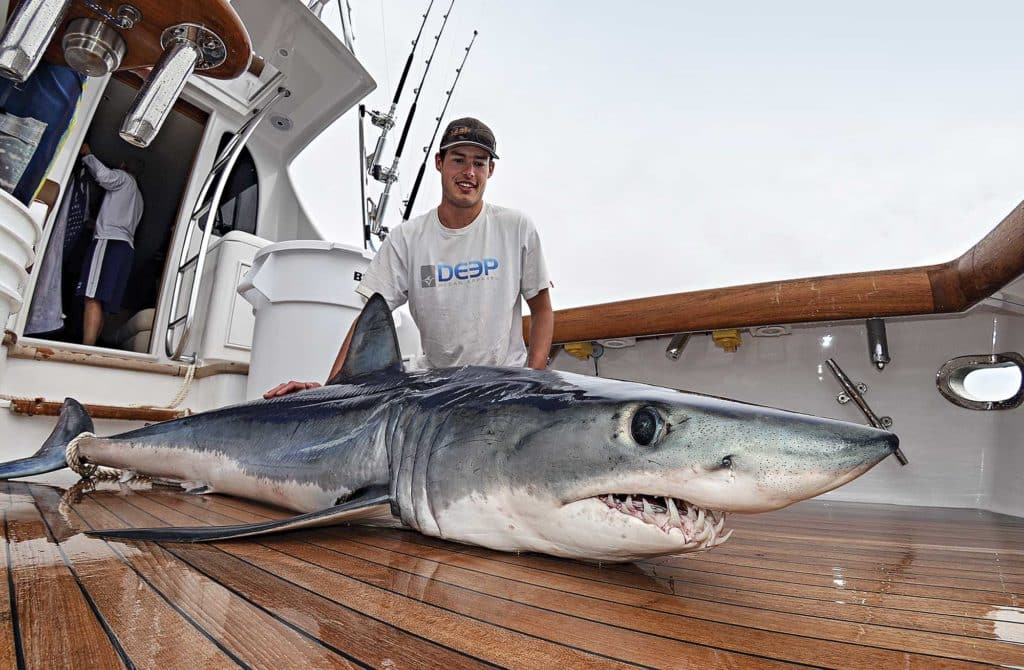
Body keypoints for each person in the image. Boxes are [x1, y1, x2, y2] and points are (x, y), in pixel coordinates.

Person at [265, 117, 554, 398]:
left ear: (490, 170)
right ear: (439, 163)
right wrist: (330, 393)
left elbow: (541, 310)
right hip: (433, 391)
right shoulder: (407, 238)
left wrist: (532, 381)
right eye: (459, 159)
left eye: (479, 163)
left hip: (503, 386)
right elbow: (370, 316)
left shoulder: (516, 227)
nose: (469, 172)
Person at [74, 142, 144, 346]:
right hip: (125, 248)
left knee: (91, 296)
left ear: (122, 165)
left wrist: (88, 155)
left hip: (109, 243)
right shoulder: (137, 196)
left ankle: (86, 349)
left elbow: (104, 176)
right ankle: (91, 347)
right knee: (102, 302)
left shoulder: (123, 179)